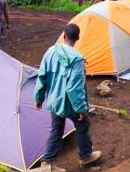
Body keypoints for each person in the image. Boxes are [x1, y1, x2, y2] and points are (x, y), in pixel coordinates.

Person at [35, 24, 102, 169]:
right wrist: (82, 109)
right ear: (77, 38)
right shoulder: (77, 60)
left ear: (64, 36)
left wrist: (38, 98)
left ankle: (46, 162)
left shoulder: (50, 51)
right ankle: (85, 157)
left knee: (56, 130)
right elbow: (74, 88)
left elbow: (42, 76)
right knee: (83, 125)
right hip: (71, 105)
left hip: (55, 102)